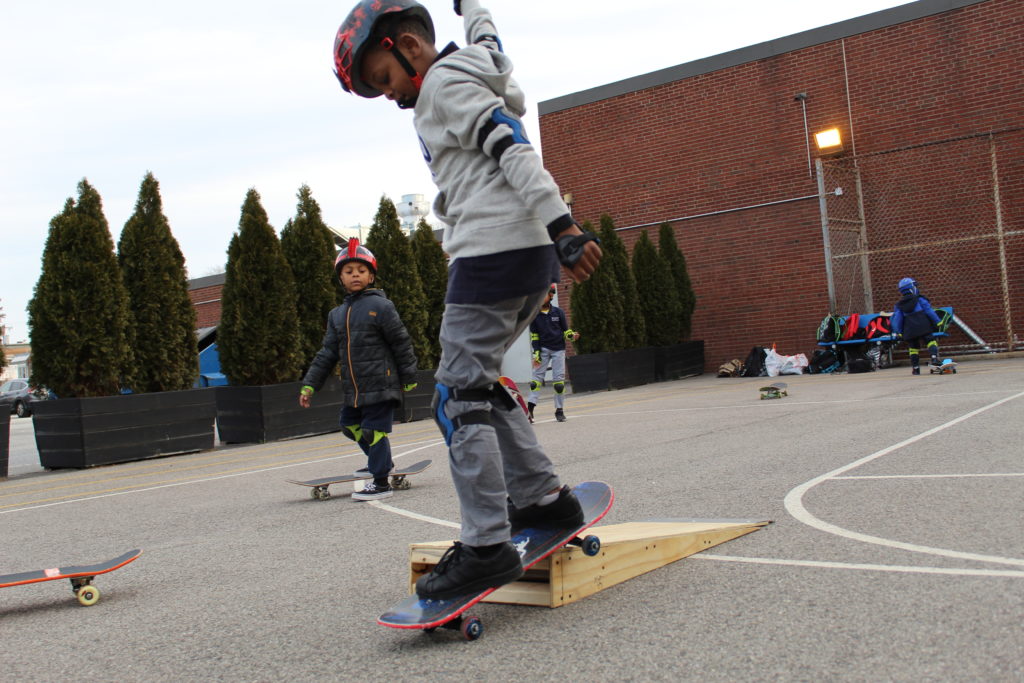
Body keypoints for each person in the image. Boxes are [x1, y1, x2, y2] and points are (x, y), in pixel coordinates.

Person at [332, 0, 603, 599]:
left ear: (406, 45)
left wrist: (565, 226)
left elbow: (510, 145)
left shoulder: (444, 88)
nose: (393, 97)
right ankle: (546, 501)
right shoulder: (481, 63)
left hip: (491, 251)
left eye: (384, 80)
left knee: (456, 398)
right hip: (527, 257)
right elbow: (486, 30)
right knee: (476, 384)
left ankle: (486, 544)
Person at [298, 238, 419, 500]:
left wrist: (409, 375)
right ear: (341, 277)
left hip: (381, 383)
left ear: (371, 276)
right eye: (349, 271)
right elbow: (327, 353)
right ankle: (380, 461)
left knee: (373, 430)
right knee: (349, 425)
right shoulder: (337, 315)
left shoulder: (381, 307)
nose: (355, 275)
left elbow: (401, 341)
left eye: (361, 271)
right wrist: (310, 384)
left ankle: (381, 482)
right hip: (354, 388)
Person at [528, 283, 579, 423]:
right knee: (535, 381)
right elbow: (535, 337)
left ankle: (559, 410)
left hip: (558, 350)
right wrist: (536, 354)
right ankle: (530, 409)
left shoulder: (559, 312)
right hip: (543, 350)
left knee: (558, 382)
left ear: (550, 295)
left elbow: (565, 332)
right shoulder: (534, 315)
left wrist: (572, 336)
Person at [891, 277, 943, 375]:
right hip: (923, 325)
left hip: (909, 329)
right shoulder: (920, 300)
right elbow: (929, 311)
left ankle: (915, 368)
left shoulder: (899, 305)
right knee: (931, 341)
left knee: (913, 348)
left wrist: (899, 331)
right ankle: (934, 358)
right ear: (912, 287)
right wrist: (938, 321)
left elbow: (898, 319)